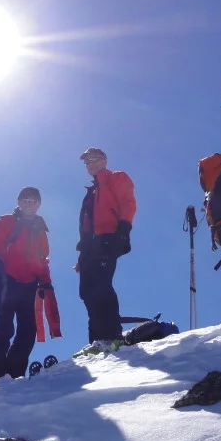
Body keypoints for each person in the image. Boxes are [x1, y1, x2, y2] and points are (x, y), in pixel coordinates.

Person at [0, 187, 58, 381]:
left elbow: (42, 258)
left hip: (30, 283)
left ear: (38, 204)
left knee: (29, 329)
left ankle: (15, 372)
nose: (29, 204)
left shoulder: (40, 228)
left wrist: (46, 281)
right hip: (5, 279)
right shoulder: (7, 221)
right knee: (4, 326)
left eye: (33, 201)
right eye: (25, 200)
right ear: (19, 202)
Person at [74, 147, 136, 355]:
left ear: (105, 160)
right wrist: (81, 254)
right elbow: (85, 224)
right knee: (86, 291)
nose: (91, 164)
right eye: (87, 162)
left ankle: (112, 336)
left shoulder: (116, 178)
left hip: (109, 238)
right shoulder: (91, 192)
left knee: (101, 286)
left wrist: (123, 230)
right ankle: (97, 341)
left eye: (94, 159)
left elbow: (128, 202)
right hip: (90, 246)